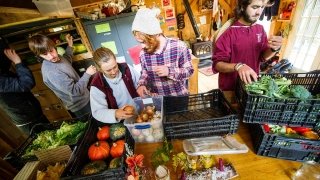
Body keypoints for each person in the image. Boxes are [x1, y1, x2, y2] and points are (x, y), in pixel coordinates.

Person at [212, 0, 283, 91]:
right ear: (242, 6)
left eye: (262, 7)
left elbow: (263, 57)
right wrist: (238, 66)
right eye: (255, 7)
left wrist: (274, 49)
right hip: (230, 89)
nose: (259, 12)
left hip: (252, 86)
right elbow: (217, 65)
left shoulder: (260, 29)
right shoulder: (228, 33)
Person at [28, 34, 97, 118]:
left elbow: (66, 60)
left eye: (51, 51)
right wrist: (87, 74)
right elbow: (74, 92)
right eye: (45, 54)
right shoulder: (51, 72)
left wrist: (70, 45)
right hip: (81, 106)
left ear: (54, 47)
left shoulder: (58, 58)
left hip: (86, 97)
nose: (51, 56)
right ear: (39, 56)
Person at [131, 8, 194, 97]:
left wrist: (169, 71)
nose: (142, 46)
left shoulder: (179, 47)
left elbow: (189, 71)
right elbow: (145, 72)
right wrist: (142, 84)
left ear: (155, 34)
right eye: (140, 42)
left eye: (144, 42)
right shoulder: (143, 54)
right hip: (158, 100)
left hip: (179, 97)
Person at [0, 37, 49, 134]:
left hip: (32, 114)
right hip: (28, 120)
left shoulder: (3, 71)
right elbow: (26, 83)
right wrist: (17, 62)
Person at [90, 47, 140, 123]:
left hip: (139, 111)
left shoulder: (126, 68)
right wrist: (115, 113)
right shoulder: (97, 85)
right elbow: (98, 111)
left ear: (116, 61)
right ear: (99, 69)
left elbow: (139, 82)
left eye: (115, 67)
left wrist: (141, 86)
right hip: (122, 121)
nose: (113, 72)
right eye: (108, 70)